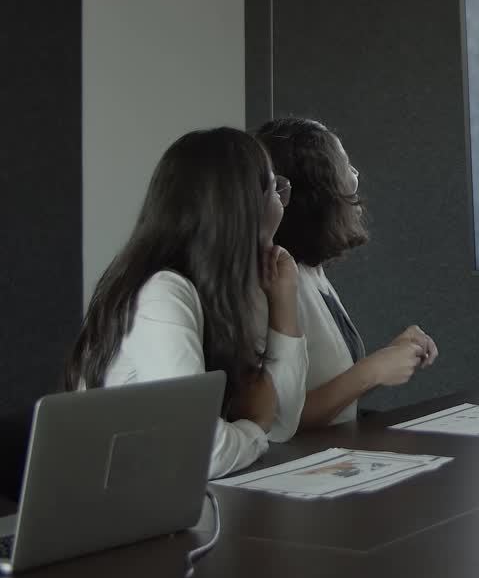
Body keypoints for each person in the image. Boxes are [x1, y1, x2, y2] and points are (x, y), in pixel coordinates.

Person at [63, 128, 309, 479]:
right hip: (118, 510)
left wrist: (283, 297)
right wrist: (254, 426)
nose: (281, 203)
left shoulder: (231, 290)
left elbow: (282, 424)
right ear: (242, 206)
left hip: (167, 500)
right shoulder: (162, 294)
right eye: (274, 188)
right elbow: (200, 452)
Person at [256, 117, 439, 429]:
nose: (355, 177)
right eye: (345, 168)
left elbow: (331, 390)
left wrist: (390, 357)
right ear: (317, 194)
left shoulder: (309, 272)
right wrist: (372, 371)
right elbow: (280, 422)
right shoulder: (276, 282)